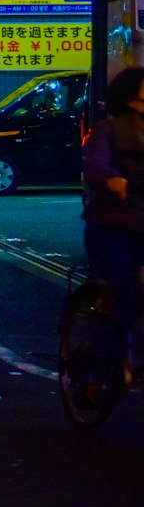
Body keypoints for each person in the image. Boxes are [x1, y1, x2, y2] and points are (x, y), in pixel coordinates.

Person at [81, 66, 144, 385]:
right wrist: (111, 178)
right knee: (127, 291)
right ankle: (99, 364)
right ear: (133, 100)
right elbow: (95, 163)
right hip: (111, 226)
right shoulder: (109, 130)